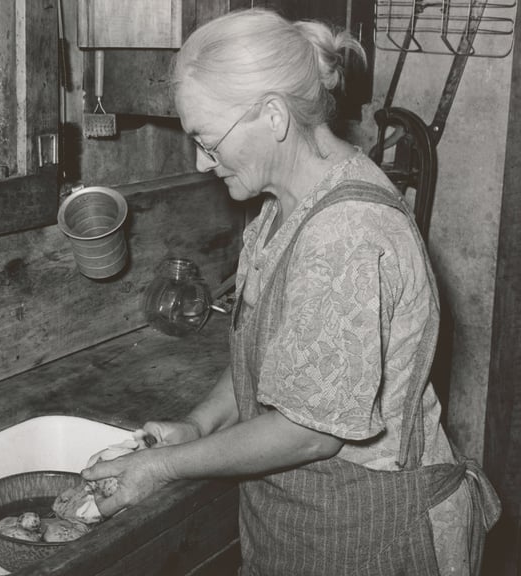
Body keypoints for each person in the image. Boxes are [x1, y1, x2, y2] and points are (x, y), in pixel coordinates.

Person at [82, 8, 502, 575]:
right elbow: (267, 347)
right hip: (301, 528)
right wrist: (199, 426)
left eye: (207, 139)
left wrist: (163, 467)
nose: (202, 162)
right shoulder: (284, 206)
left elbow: (308, 432)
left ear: (274, 115)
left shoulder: (346, 233)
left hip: (370, 536)